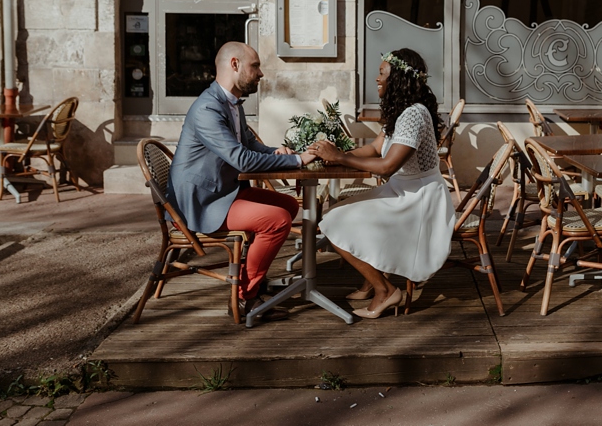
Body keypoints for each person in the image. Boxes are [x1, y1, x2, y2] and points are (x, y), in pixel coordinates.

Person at [167, 41, 316, 322]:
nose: (260, 74)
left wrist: (278, 152)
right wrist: (297, 162)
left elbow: (249, 146)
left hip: (222, 191)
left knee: (288, 205)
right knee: (277, 220)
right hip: (200, 202)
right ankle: (245, 296)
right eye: (255, 66)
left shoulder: (231, 102)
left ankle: (251, 275)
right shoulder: (207, 109)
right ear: (234, 65)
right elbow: (243, 160)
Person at [311, 49, 455, 319]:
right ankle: (371, 279)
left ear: (398, 77)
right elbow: (376, 149)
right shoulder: (402, 111)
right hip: (402, 190)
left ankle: (385, 290)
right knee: (335, 212)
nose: (377, 78)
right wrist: (331, 156)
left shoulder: (414, 114)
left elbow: (388, 165)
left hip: (419, 199)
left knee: (332, 222)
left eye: (381, 73)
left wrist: (340, 156)